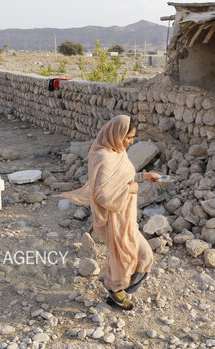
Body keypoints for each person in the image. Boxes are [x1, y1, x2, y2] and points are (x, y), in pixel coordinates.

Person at [59, 115, 160, 310]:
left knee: (141, 257)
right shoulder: (103, 157)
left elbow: (125, 177)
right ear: (116, 134)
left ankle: (115, 288)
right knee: (131, 257)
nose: (131, 142)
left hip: (127, 218)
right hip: (114, 220)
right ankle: (115, 290)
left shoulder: (117, 152)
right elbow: (103, 196)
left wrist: (144, 176)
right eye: (128, 138)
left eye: (132, 138)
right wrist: (132, 190)